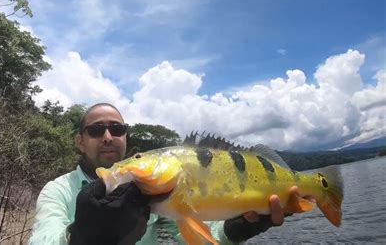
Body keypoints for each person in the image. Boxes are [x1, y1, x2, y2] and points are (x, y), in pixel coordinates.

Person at [29, 103, 297, 245]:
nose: (108, 137)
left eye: (117, 129)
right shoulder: (58, 191)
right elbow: (42, 239)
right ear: (79, 141)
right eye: (97, 130)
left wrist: (234, 231)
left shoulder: (153, 193)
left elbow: (195, 235)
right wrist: (80, 238)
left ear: (126, 137)